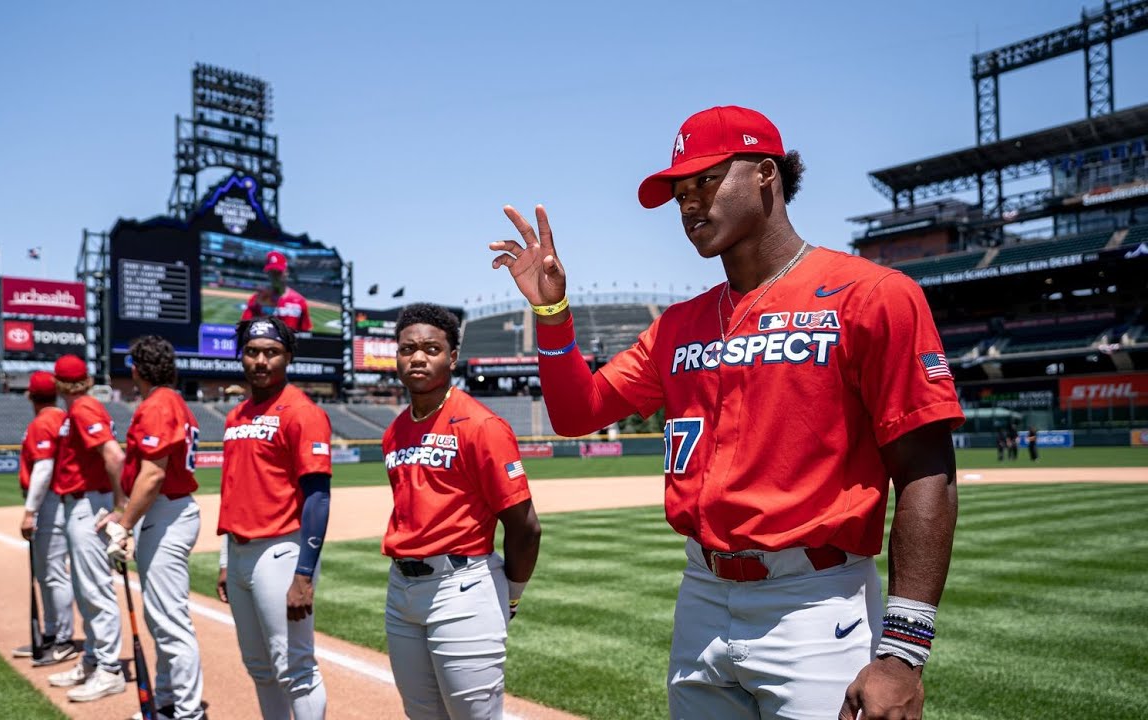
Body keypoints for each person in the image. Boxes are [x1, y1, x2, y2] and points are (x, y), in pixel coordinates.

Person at [491, 105, 963, 720]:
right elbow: (578, 412)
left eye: (707, 180)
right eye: (680, 191)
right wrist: (552, 315)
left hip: (816, 604)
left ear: (766, 174)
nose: (689, 203)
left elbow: (927, 472)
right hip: (702, 598)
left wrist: (902, 651)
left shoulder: (872, 296)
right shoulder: (678, 326)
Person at [381, 303, 542, 719]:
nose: (417, 357)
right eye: (407, 348)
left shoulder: (481, 425)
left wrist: (513, 594)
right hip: (401, 590)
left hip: (462, 588)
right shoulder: (395, 430)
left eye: (431, 349)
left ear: (452, 357)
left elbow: (525, 526)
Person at [215, 317, 332, 719]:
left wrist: (304, 575)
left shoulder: (303, 412)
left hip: (281, 551)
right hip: (240, 553)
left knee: (295, 668)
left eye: (271, 352)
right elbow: (234, 491)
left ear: (288, 357)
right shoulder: (236, 417)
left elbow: (317, 498)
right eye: (252, 352)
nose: (261, 361)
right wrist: (225, 559)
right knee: (260, 668)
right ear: (241, 356)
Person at [95, 336, 207, 720]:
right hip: (164, 513)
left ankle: (188, 712)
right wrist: (122, 516)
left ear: (136, 370)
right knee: (161, 620)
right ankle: (165, 701)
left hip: (167, 514)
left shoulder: (158, 405)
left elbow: (153, 475)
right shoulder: (171, 401)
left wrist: (123, 525)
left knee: (170, 623)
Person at [46, 354, 130, 703]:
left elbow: (115, 456)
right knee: (85, 590)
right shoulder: (79, 408)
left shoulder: (84, 408)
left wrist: (121, 507)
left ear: (58, 383)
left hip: (89, 504)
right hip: (78, 504)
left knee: (95, 590)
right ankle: (94, 660)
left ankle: (110, 670)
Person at [12, 370, 77, 667]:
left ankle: (62, 639)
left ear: (30, 396)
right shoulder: (61, 418)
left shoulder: (44, 421)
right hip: (58, 500)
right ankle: (51, 634)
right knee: (47, 574)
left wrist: (30, 511)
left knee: (52, 574)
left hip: (52, 501)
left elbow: (43, 469)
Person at [242, 250, 314, 333]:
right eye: (272, 272)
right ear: (268, 274)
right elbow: (244, 329)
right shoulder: (256, 299)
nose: (275, 276)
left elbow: (306, 332)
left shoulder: (299, 301)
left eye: (278, 272)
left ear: (286, 272)